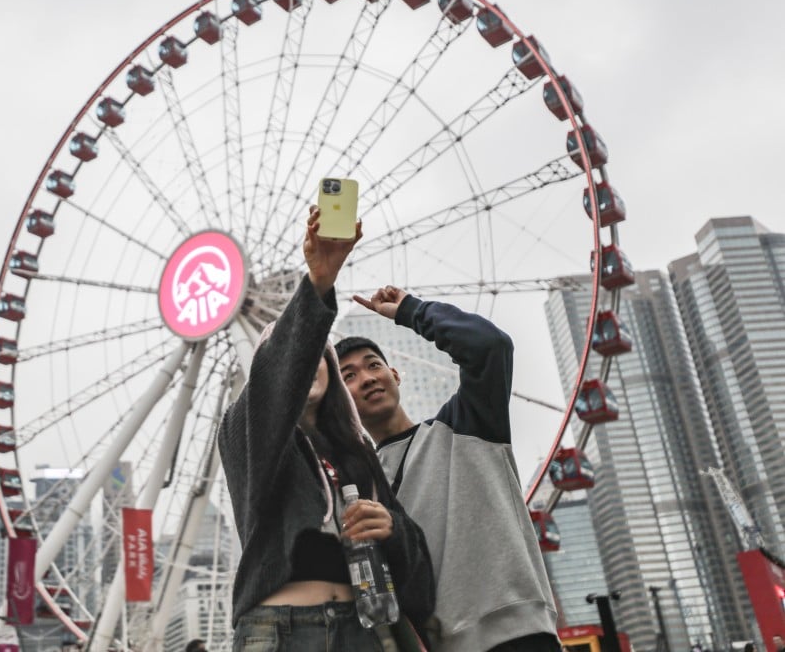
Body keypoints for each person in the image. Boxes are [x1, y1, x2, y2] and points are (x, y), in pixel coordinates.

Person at [218, 209, 435, 650]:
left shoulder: (356, 452)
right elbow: (278, 374)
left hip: (366, 628)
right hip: (281, 630)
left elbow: (416, 557)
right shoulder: (244, 431)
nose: (309, 363)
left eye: (321, 355)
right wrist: (320, 279)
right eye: (301, 355)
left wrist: (390, 526)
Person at [335, 286, 561, 652]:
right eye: (348, 376)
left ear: (396, 375)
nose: (367, 378)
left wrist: (411, 310)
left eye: (374, 365)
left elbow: (490, 347)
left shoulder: (467, 423)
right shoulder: (359, 490)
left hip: (515, 634)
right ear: (340, 401)